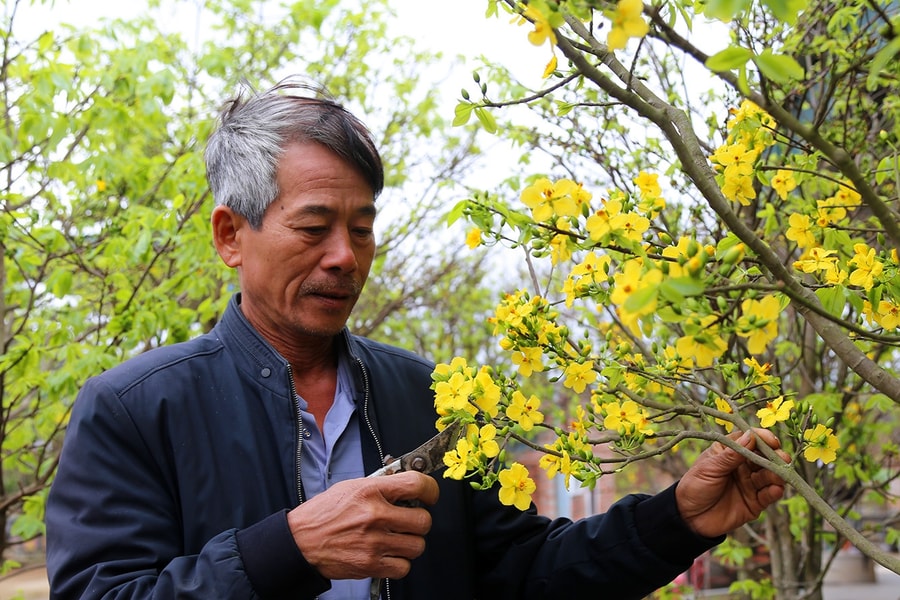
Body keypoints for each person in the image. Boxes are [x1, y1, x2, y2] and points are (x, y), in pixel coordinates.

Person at [45, 79, 789, 600]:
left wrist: (676, 520)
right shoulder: (134, 410)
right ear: (230, 235)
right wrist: (290, 549)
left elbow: (525, 572)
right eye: (314, 227)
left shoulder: (425, 395)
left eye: (362, 229)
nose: (345, 255)